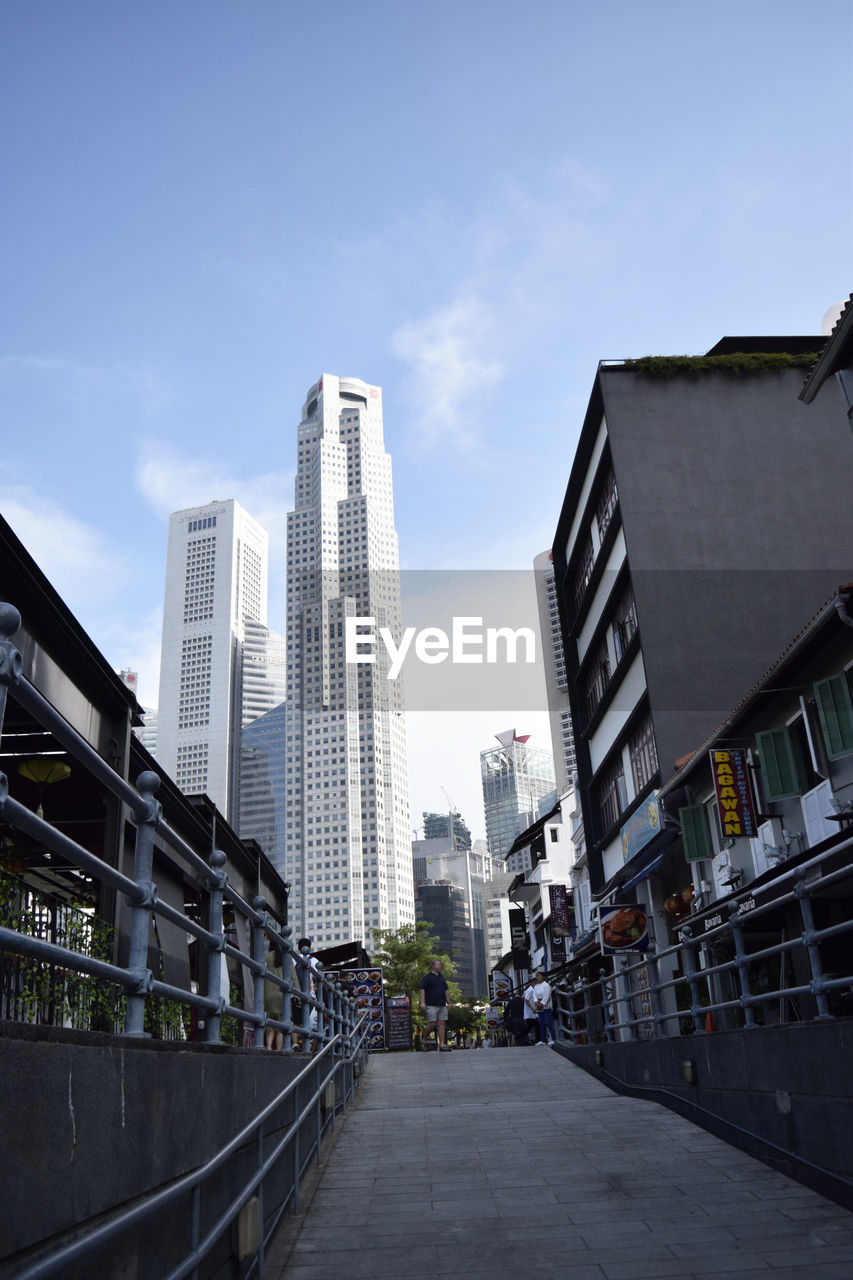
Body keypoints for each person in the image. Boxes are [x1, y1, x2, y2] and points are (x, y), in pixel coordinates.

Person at [419, 959, 452, 1052]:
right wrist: (422, 1002)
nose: (440, 966)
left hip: (442, 1004)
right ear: (433, 966)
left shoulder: (442, 977)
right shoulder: (427, 977)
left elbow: (446, 990)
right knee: (432, 1023)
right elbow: (422, 990)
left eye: (440, 965)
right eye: (438, 965)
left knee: (442, 1023)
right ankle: (424, 1039)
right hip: (431, 1004)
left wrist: (449, 1002)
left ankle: (442, 1045)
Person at [263, 943, 284, 1051]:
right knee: (280, 1027)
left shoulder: (266, 956)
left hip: (268, 995)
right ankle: (278, 1051)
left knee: (270, 1025)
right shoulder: (286, 957)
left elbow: (259, 973)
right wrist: (298, 994)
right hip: (282, 995)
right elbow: (293, 976)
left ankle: (269, 1047)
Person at [530, 970, 557, 1046]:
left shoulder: (546, 985)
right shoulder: (536, 986)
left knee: (548, 1023)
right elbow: (534, 995)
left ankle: (554, 1039)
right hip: (538, 1006)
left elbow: (546, 996)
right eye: (537, 976)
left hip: (546, 1006)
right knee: (541, 1024)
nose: (537, 977)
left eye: (539, 975)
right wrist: (535, 1002)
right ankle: (543, 1040)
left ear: (543, 976)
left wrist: (542, 1003)